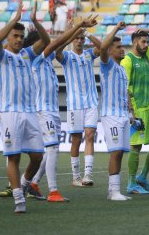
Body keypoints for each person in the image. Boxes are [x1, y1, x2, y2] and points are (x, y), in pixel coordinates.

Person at [28, 17, 98, 202]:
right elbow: (59, 43)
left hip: (51, 111)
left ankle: (32, 183)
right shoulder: (36, 60)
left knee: (50, 149)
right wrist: (79, 27)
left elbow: (63, 41)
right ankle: (52, 191)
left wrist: (77, 30)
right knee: (51, 149)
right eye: (42, 42)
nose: (46, 44)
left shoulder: (47, 60)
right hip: (42, 110)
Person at [0, 2, 50, 212]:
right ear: (9, 37)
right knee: (13, 157)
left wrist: (34, 20)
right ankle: (19, 200)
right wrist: (14, 20)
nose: (18, 40)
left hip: (30, 113)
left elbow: (46, 40)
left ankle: (24, 185)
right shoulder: (0, 57)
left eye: (20, 36)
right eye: (15, 36)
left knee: (37, 156)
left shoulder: (27, 54)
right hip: (10, 114)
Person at [120, 27, 149, 194]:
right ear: (134, 42)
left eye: (147, 42)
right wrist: (131, 112)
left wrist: (148, 29)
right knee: (136, 147)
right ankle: (131, 183)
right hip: (137, 108)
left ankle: (143, 176)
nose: (146, 45)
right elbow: (123, 87)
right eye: (143, 41)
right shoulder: (127, 60)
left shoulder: (147, 55)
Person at [56, 18, 101, 187]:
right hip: (74, 104)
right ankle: (75, 176)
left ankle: (88, 174)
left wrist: (87, 32)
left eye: (82, 39)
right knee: (76, 139)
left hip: (91, 102)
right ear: (73, 40)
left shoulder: (89, 54)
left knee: (90, 136)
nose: (80, 41)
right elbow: (56, 50)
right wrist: (72, 33)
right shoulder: (67, 56)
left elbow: (102, 47)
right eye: (78, 38)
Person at [99, 21, 132, 200]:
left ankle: (114, 190)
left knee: (120, 152)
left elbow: (125, 93)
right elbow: (103, 47)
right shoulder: (107, 65)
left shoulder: (122, 70)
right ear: (111, 50)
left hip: (123, 115)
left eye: (122, 46)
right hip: (110, 115)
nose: (122, 49)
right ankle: (114, 191)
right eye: (118, 47)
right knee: (116, 151)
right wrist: (116, 30)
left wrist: (131, 112)